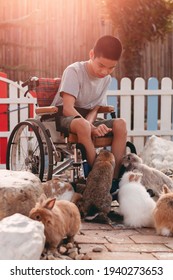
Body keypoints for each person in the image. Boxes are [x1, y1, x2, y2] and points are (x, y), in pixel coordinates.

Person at [52, 35, 127, 198]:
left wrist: (92, 126)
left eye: (111, 68)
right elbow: (68, 108)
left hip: (87, 119)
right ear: (91, 54)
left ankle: (111, 181)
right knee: (84, 126)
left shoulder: (106, 79)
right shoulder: (74, 71)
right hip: (65, 117)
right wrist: (91, 127)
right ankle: (96, 179)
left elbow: (95, 107)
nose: (104, 71)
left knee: (120, 123)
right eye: (101, 65)